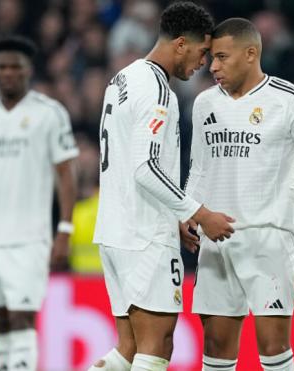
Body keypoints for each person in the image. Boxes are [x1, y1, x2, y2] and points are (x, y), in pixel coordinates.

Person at [90, 3, 234, 371]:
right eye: (202, 52)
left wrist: (174, 216)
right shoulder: (157, 90)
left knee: (127, 348)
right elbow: (145, 167)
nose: (204, 62)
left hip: (115, 229)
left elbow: (126, 162)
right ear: (181, 44)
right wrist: (199, 213)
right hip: (143, 237)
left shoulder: (122, 78)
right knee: (157, 344)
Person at [183, 17, 294, 371]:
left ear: (251, 53)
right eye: (211, 58)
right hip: (216, 238)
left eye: (222, 57)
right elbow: (199, 167)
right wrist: (187, 212)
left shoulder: (289, 100)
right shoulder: (205, 103)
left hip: (269, 237)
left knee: (272, 347)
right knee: (216, 346)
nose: (213, 66)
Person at [0, 36, 78, 371]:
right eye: (1, 67)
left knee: (22, 319)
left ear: (28, 70)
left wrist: (64, 229)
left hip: (29, 237)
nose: (7, 74)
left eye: (14, 67)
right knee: (1, 321)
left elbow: (65, 173)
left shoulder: (49, 113)